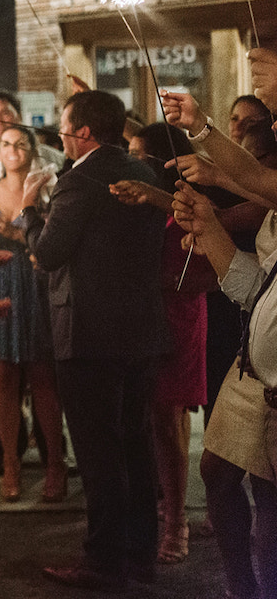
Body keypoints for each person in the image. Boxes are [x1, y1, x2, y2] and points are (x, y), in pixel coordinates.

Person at [22, 90, 168, 592]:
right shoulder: (146, 174)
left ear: (83, 132)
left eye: (65, 126)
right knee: (135, 443)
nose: (61, 134)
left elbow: (50, 252)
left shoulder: (79, 180)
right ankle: (141, 554)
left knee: (99, 451)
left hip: (87, 336)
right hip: (141, 329)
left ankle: (104, 561)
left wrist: (29, 211)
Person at [162, 74, 277, 599]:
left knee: (272, 518)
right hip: (255, 373)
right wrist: (207, 224)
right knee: (217, 472)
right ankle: (242, 588)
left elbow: (259, 181)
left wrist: (204, 130)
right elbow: (257, 285)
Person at [110, 122, 217, 565]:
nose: (132, 161)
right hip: (145, 316)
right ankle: (168, 504)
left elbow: (216, 273)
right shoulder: (142, 205)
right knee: (159, 420)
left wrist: (166, 279)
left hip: (180, 313)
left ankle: (176, 523)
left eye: (139, 154)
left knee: (168, 422)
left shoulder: (188, 205)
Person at [0, 126, 67, 504]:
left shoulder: (46, 187)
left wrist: (15, 232)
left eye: (20, 144)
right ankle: (11, 463)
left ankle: (55, 463)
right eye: (5, 144)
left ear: (32, 150)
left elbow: (57, 238)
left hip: (37, 281)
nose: (12, 150)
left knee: (43, 379)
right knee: (2, 378)